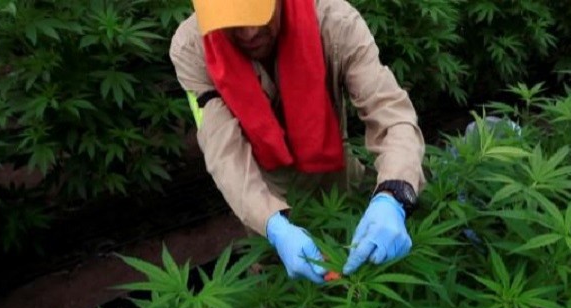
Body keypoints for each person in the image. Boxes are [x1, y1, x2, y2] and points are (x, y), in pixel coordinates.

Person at [169, 0, 425, 283]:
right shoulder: (191, 48)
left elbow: (390, 113)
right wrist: (274, 226)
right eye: (234, 21)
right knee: (285, 294)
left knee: (365, 273)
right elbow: (223, 152)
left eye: (259, 14)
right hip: (261, 195)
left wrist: (393, 195)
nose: (250, 32)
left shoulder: (335, 22)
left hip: (338, 186)